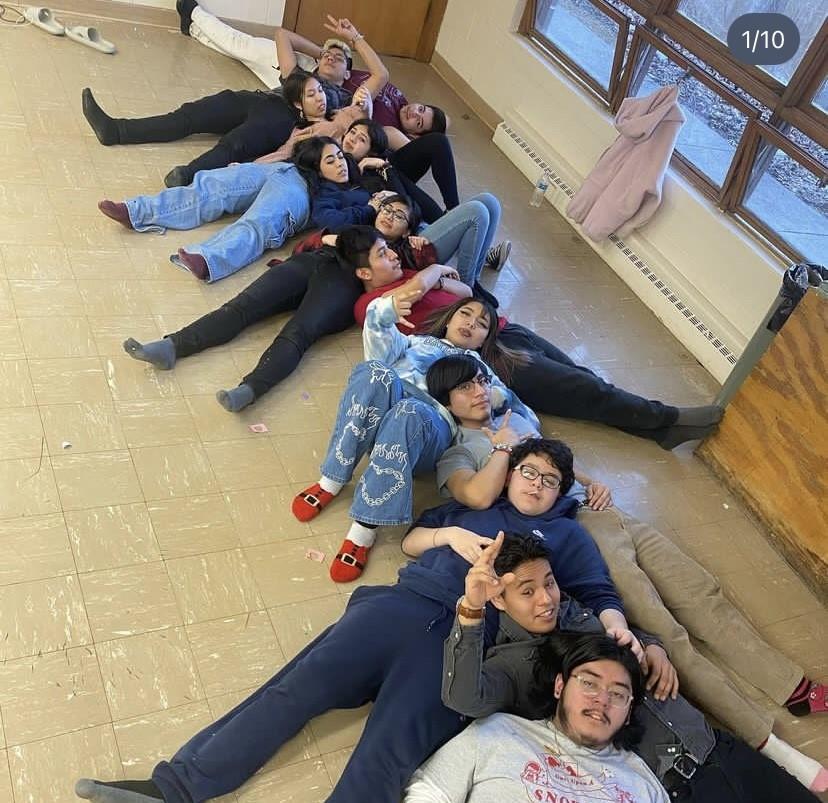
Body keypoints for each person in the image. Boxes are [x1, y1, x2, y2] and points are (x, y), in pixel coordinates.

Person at [72, 530, 624, 802]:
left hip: (466, 648)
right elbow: (415, 537)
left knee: (384, 756)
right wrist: (447, 534)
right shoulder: (473, 501)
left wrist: (641, 641)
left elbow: (600, 602)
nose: (537, 482)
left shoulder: (568, 538)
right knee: (293, 689)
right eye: (529, 470)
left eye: (551, 477)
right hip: (407, 607)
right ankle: (173, 789)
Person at [440, 533, 826, 799]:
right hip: (676, 787)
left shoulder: (572, 612)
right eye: (527, 591)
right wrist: (471, 608)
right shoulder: (511, 664)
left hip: (715, 744)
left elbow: (628, 635)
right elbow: (464, 699)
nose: (546, 599)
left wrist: (653, 648)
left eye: (550, 583)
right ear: (499, 600)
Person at [291, 299, 540, 583]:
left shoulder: (482, 370)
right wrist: (387, 308)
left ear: (485, 339)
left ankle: (364, 527)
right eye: (465, 314)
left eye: (482, 324)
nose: (471, 323)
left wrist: (517, 435)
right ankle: (331, 480)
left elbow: (517, 411)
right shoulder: (414, 342)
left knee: (410, 411)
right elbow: (378, 337)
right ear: (449, 319)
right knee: (374, 371)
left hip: (428, 429)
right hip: (379, 415)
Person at [79, 16, 387, 187]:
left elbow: (381, 75)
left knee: (234, 144)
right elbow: (283, 35)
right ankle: (116, 130)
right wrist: (322, 53)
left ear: (349, 73)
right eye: (327, 55)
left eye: (340, 59)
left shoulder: (348, 99)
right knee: (190, 115)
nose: (332, 58)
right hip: (255, 99)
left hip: (284, 121)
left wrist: (353, 39)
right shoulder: (300, 76)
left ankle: (188, 174)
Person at [122, 227, 382, 412]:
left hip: (344, 286)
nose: (390, 216)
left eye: (399, 214)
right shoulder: (363, 215)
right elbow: (313, 235)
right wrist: (324, 237)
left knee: (297, 333)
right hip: (315, 260)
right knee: (242, 305)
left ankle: (250, 390)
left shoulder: (400, 253)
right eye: (388, 209)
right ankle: (171, 346)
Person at [405, 634, 670, 802]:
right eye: (589, 683)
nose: (602, 699)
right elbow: (428, 793)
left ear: (628, 713)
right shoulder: (497, 733)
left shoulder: (644, 786)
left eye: (618, 694)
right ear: (560, 686)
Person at [96, 136, 388, 282]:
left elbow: (333, 219)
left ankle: (208, 259)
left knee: (260, 222)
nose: (340, 163)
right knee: (212, 185)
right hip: (285, 170)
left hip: (302, 193)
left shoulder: (361, 192)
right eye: (333, 159)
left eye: (340, 158)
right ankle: (136, 212)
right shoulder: (344, 163)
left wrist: (374, 188)